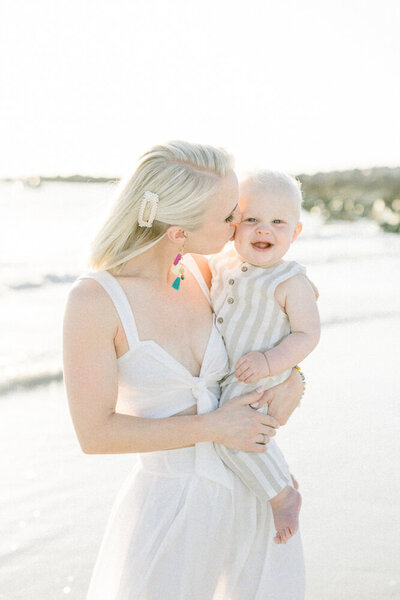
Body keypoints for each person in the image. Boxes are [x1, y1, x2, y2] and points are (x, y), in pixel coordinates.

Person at [63, 141, 306, 600]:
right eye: (230, 215)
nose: (240, 223)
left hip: (257, 498)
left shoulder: (204, 270)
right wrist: (214, 427)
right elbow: (94, 434)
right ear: (178, 232)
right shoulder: (94, 301)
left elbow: (281, 327)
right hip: (172, 514)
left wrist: (298, 381)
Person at [209, 170, 320, 545]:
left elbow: (308, 333)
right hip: (229, 373)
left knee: (234, 432)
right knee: (238, 431)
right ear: (233, 225)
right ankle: (279, 476)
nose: (263, 230)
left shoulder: (291, 281)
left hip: (259, 375)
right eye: (251, 219)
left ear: (295, 232)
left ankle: (282, 495)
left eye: (277, 222)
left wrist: (271, 363)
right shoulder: (221, 262)